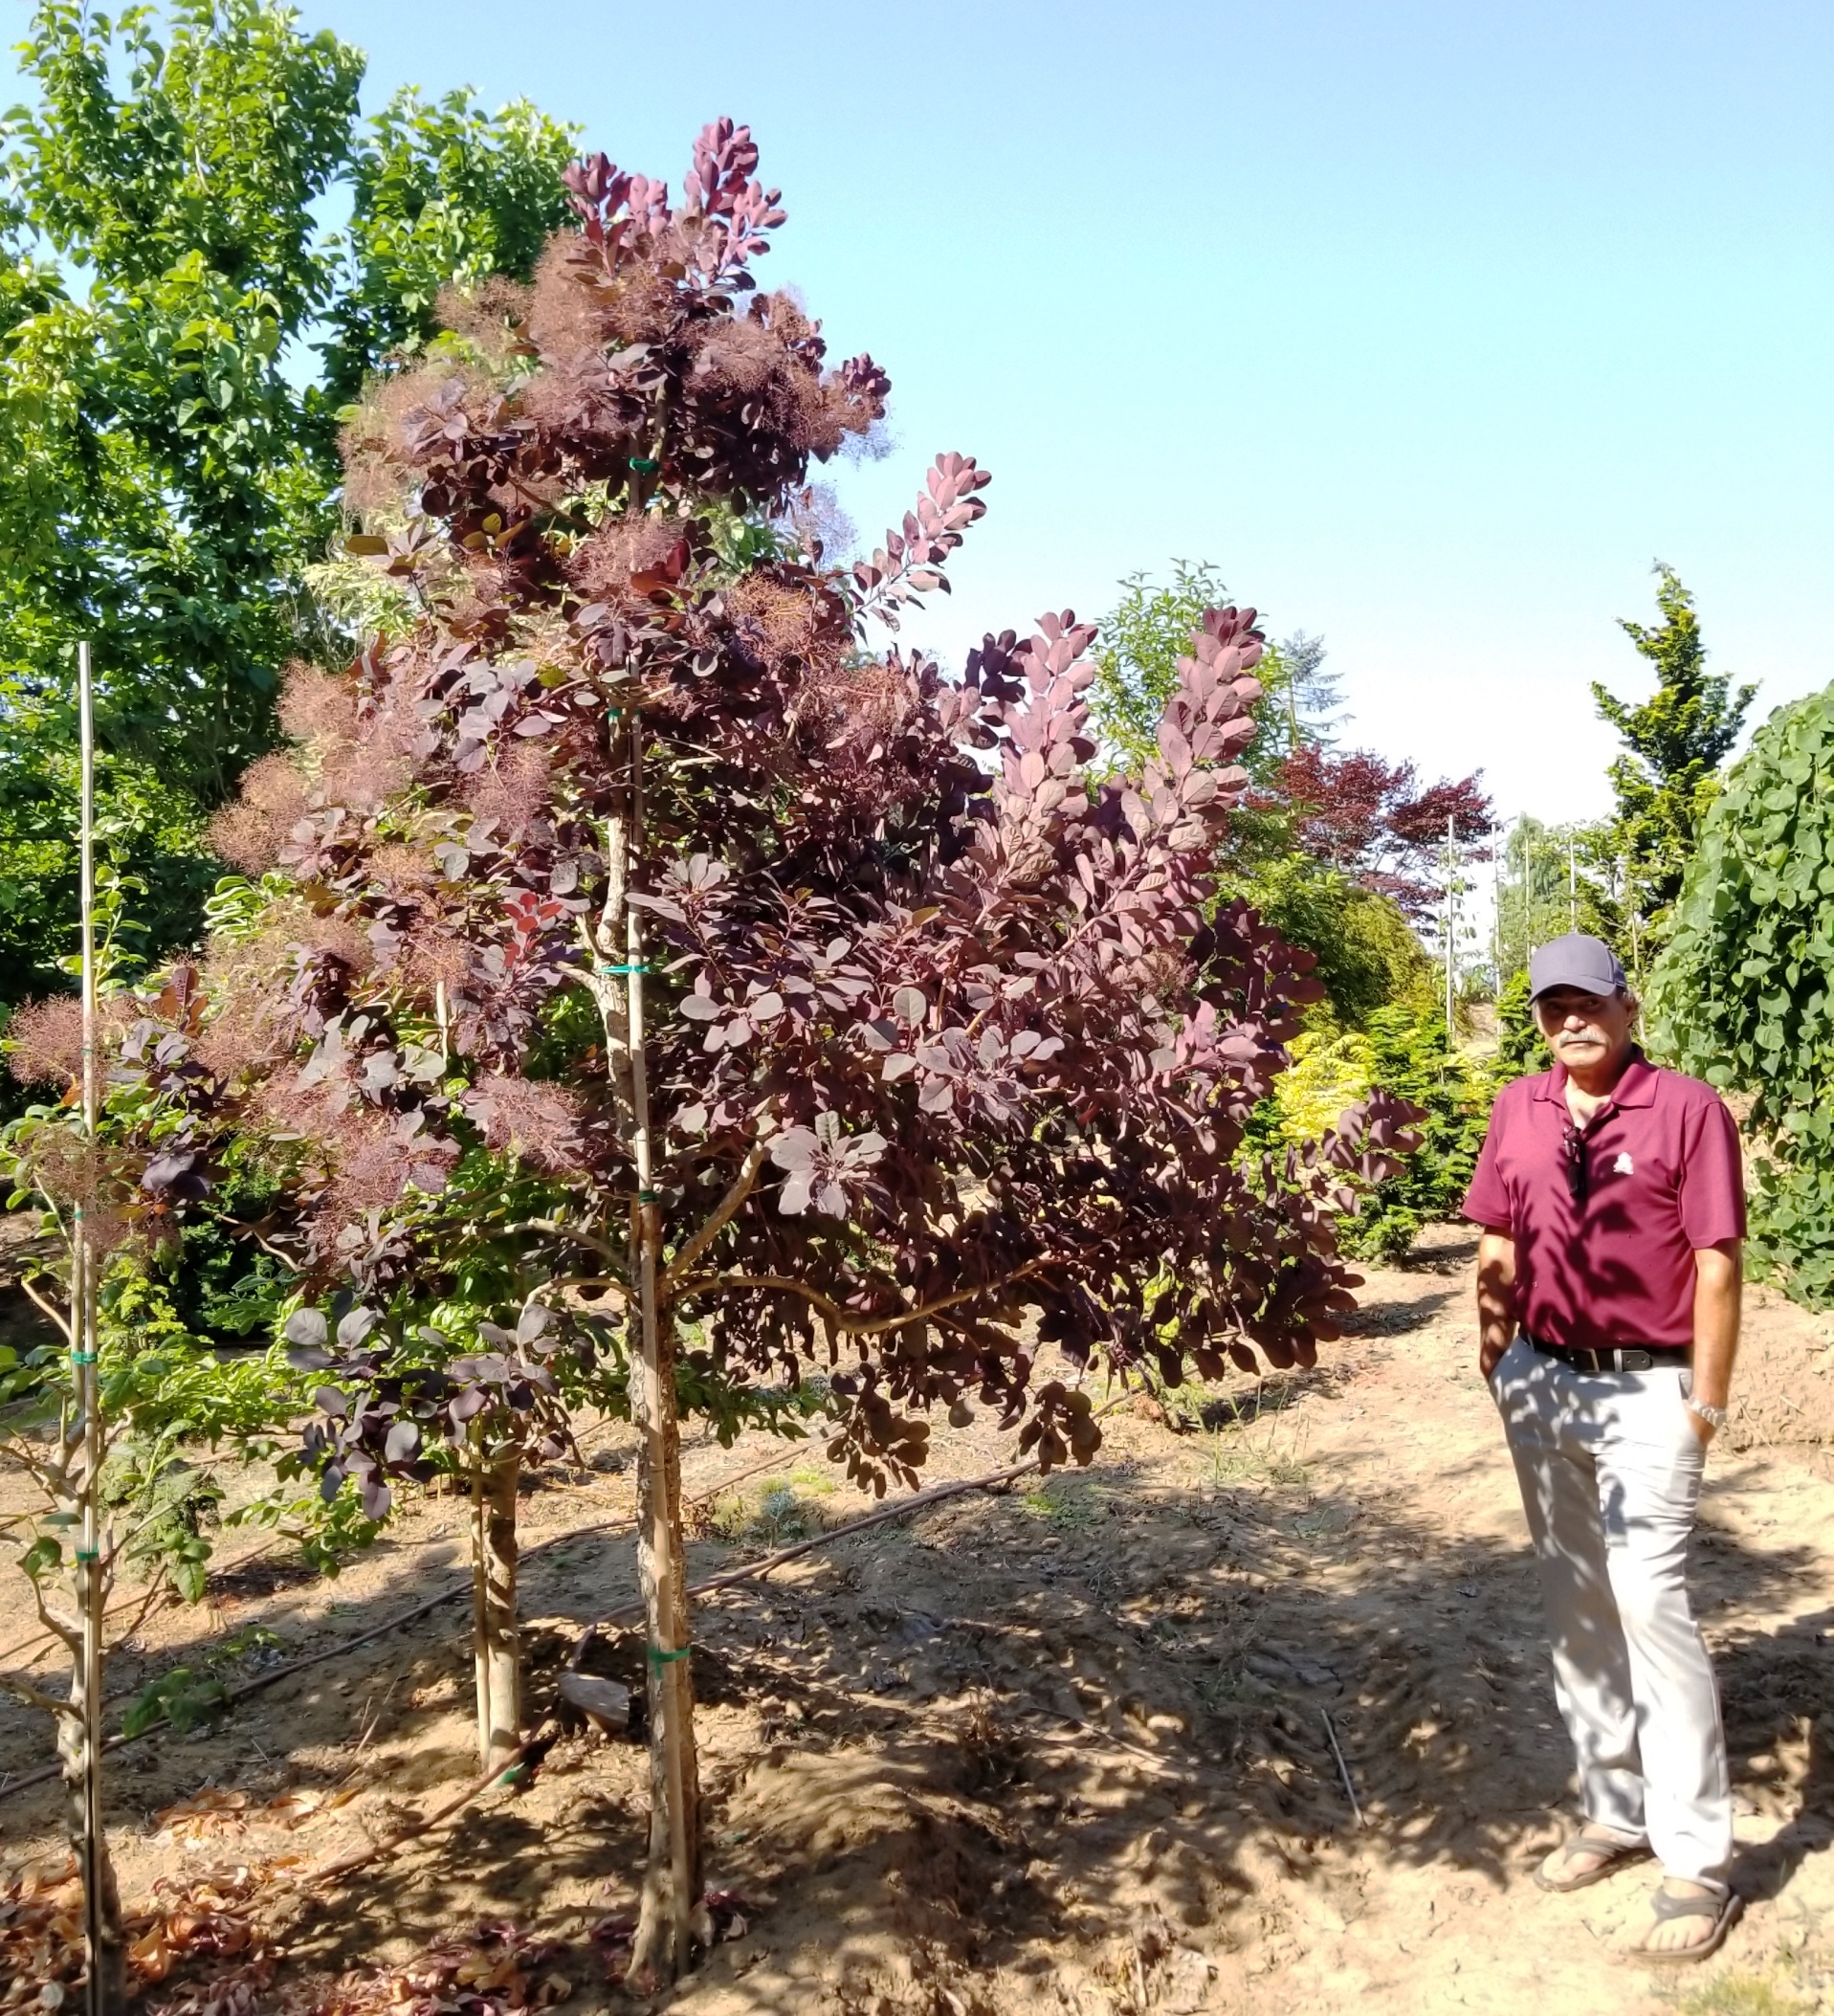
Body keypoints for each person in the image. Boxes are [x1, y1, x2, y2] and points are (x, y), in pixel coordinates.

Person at [1463, 932, 1746, 1963]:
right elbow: (1497, 1235)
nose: (1569, 1019)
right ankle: (1612, 1809)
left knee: (1650, 1605)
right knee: (1576, 1603)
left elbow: (1718, 1262)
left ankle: (1696, 1857)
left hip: (1652, 1390)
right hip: (1543, 1381)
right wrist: (1498, 1356)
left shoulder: (1686, 1109)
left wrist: (1704, 1404)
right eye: (1550, 1006)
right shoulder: (1517, 1109)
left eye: (1587, 1001)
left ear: (1628, 1007)